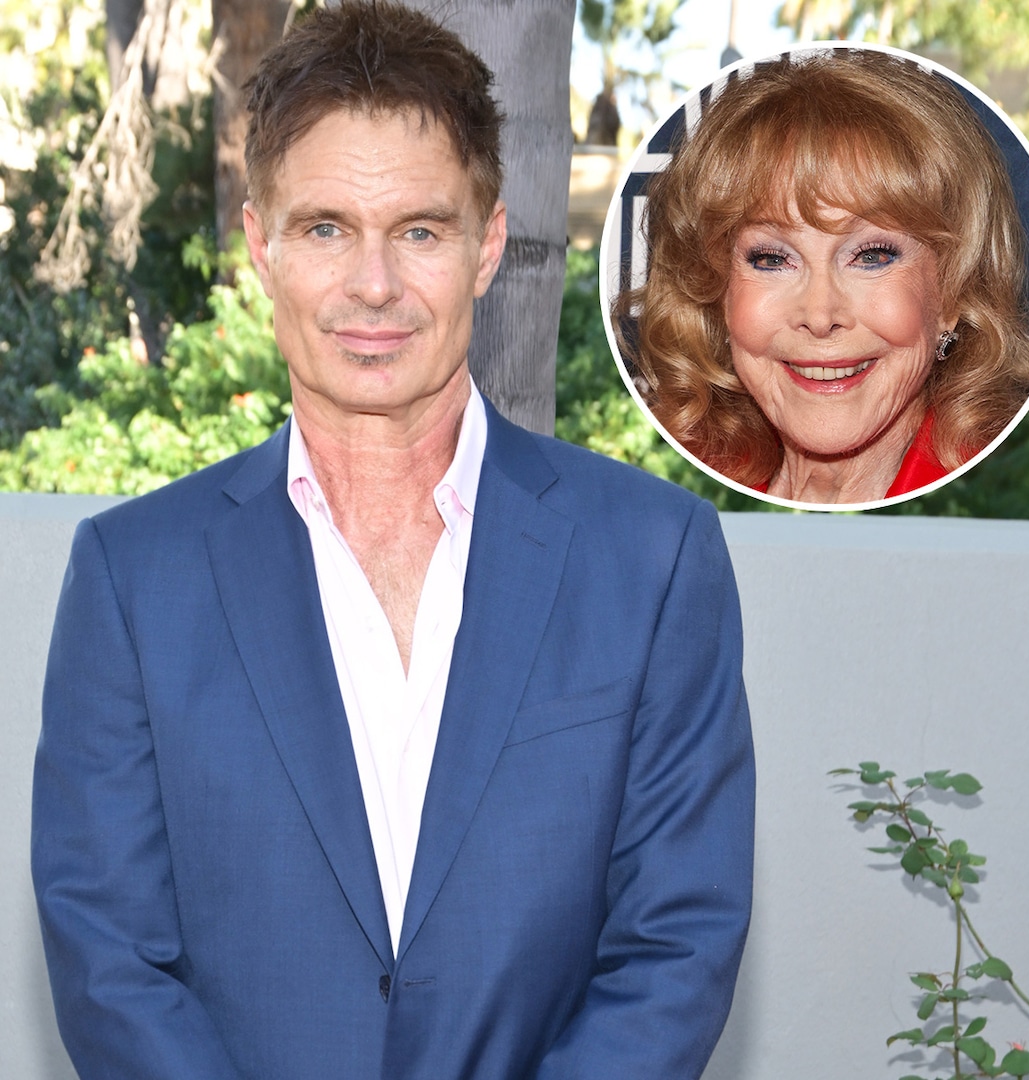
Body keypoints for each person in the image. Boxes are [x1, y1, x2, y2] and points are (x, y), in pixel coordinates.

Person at [31, 4, 755, 1079]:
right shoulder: (133, 581)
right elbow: (111, 962)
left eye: (419, 230)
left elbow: (676, 945)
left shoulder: (652, 560)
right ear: (261, 246)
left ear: (487, 245)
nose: (373, 285)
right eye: (326, 229)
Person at [615, 48, 1029, 505]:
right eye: (772, 259)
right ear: (716, 291)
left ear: (952, 295)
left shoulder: (1017, 504)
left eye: (871, 256)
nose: (821, 316)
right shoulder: (660, 489)